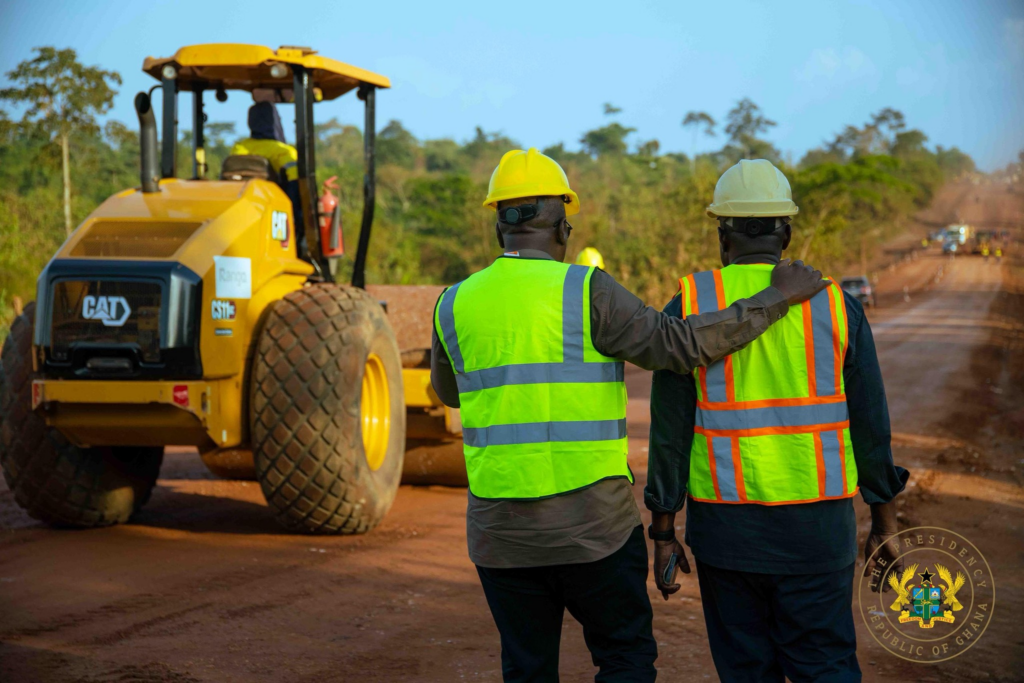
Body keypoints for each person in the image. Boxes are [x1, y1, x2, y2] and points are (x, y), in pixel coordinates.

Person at [430, 148, 830, 682]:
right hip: (593, 528)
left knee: (526, 667)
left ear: (498, 224)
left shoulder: (453, 302)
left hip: (500, 535)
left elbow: (450, 393)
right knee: (624, 658)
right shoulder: (586, 290)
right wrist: (773, 298)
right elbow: (680, 346)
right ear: (563, 226)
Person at [646, 159, 909, 682]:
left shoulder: (690, 306)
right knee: (826, 665)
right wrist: (884, 521)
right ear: (785, 232)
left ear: (723, 235)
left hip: (727, 535)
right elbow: (870, 426)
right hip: (818, 532)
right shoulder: (836, 306)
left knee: (745, 669)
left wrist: (662, 531)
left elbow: (669, 432)